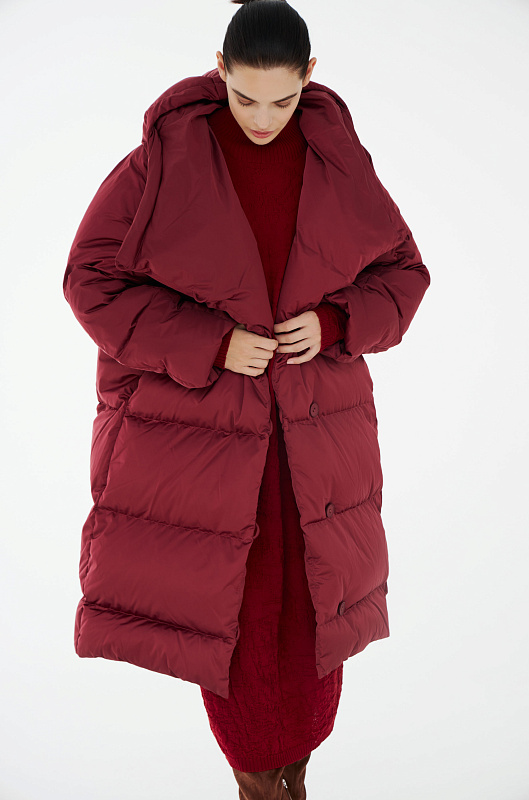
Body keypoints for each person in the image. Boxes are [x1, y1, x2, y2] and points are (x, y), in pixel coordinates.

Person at [63, 1, 430, 797]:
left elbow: (402, 274)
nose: (262, 119)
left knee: (313, 617)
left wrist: (335, 322)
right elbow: (90, 281)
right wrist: (211, 342)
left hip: (313, 441)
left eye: (283, 99)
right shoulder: (161, 162)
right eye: (244, 97)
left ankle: (289, 779)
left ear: (310, 77)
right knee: (235, 625)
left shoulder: (337, 160)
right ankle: (263, 786)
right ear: (219, 69)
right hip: (203, 439)